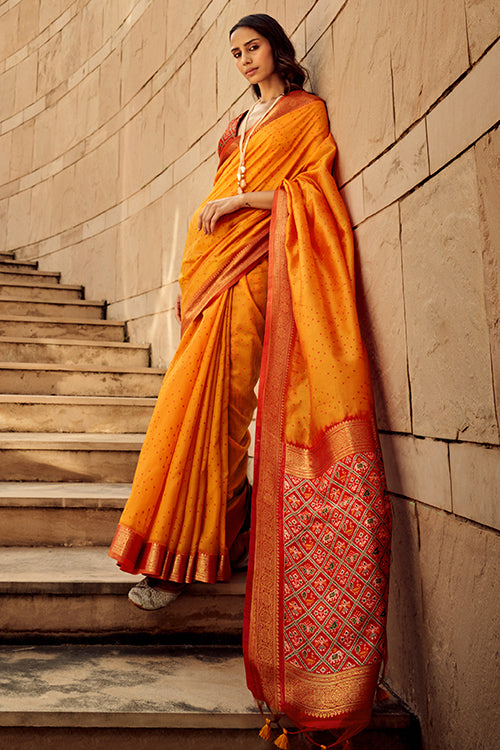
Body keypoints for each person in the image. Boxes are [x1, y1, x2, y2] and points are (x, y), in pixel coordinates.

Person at [109, 13, 391, 748]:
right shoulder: (239, 123)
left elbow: (312, 193)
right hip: (213, 273)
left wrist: (240, 203)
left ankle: (191, 554)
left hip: (258, 268)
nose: (243, 59)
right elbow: (216, 187)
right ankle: (185, 545)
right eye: (234, 52)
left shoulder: (304, 115)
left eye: (252, 47)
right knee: (189, 406)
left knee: (226, 408)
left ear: (277, 50)